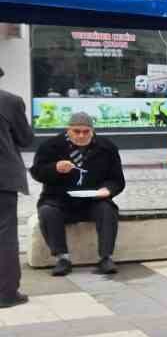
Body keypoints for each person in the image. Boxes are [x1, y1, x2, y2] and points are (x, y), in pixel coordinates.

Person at [31, 112, 124, 276]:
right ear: (68, 130)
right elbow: (37, 172)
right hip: (58, 199)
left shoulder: (107, 147)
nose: (81, 135)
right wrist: (55, 168)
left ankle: (106, 257)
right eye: (76, 131)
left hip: (93, 199)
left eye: (86, 131)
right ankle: (62, 258)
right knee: (47, 212)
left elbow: (117, 179)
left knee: (107, 210)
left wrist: (107, 190)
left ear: (92, 131)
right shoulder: (50, 146)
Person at [0, 68, 33, 308]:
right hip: (3, 178)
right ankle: (6, 292)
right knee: (5, 235)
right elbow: (26, 138)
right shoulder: (9, 101)